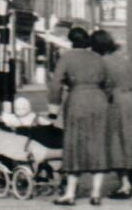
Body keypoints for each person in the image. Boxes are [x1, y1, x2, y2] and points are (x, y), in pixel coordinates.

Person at [48, 27, 110, 206]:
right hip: (99, 101)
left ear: (71, 41)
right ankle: (96, 194)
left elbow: (55, 84)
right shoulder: (98, 58)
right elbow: (107, 82)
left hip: (77, 101)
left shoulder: (67, 57)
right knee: (98, 144)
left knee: (74, 144)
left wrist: (54, 108)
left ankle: (69, 194)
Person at [92, 30, 132, 200]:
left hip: (117, 104)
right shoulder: (123, 58)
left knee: (117, 144)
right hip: (130, 99)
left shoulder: (103, 62)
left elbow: (104, 86)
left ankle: (125, 185)